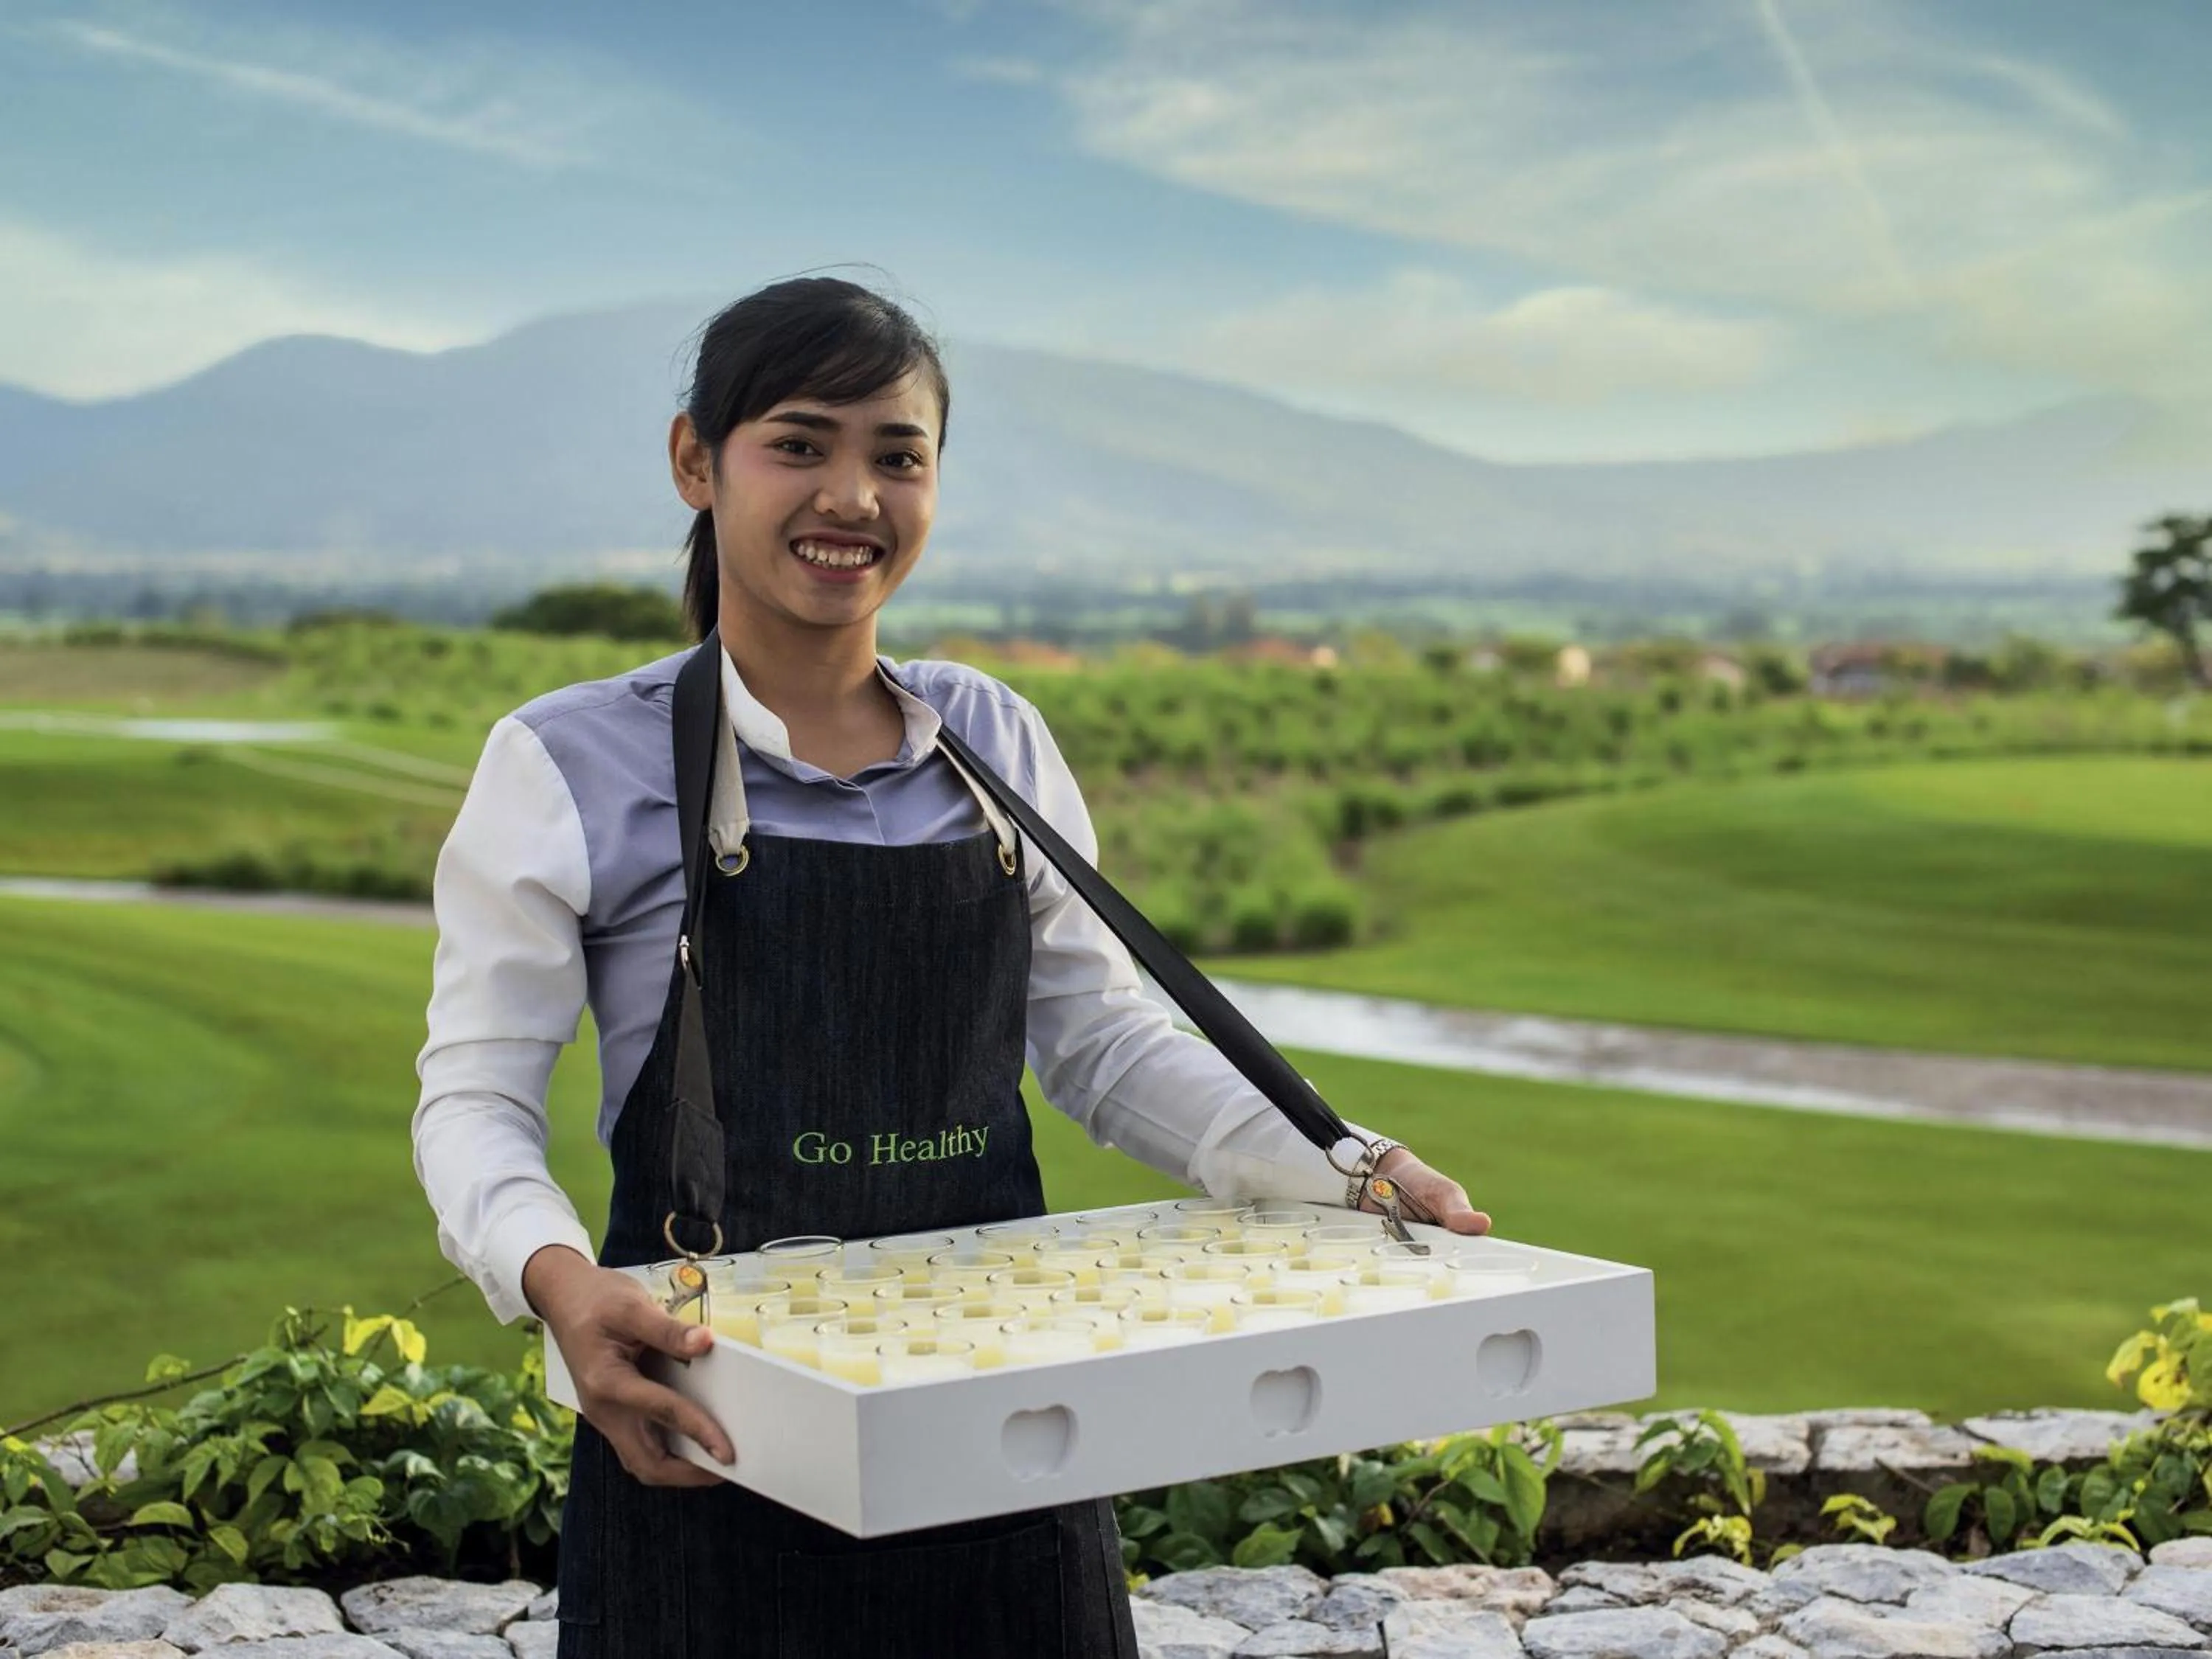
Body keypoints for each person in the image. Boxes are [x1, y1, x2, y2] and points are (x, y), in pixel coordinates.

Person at [411, 276, 1492, 1659]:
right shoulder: (566, 760)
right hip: (704, 1428)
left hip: (1007, 1440)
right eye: (799, 444)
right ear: (697, 459)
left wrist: (1344, 1163)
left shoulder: (991, 737)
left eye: (896, 454)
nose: (851, 494)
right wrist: (560, 1281)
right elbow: (472, 1096)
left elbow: (1105, 1043)